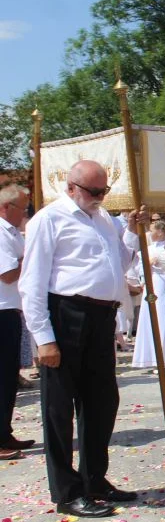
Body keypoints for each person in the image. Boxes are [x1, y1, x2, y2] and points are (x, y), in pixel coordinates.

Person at [19, 161, 144, 517]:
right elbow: (33, 281)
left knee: (102, 402)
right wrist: (43, 337)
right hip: (66, 314)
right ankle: (67, 490)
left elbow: (118, 262)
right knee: (59, 408)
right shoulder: (50, 219)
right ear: (72, 187)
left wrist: (131, 230)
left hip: (100, 317)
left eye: (104, 191)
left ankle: (95, 478)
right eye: (94, 191)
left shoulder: (103, 219)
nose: (100, 197)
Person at [0, 183, 32, 461]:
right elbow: (8, 274)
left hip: (11, 309)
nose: (25, 213)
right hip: (2, 310)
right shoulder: (1, 232)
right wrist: (31, 260)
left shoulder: (12, 233)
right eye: (23, 208)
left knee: (9, 376)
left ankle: (4, 430)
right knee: (2, 376)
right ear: (6, 207)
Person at [131, 221, 165, 370]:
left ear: (161, 232)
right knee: (151, 318)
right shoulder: (148, 249)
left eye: (152, 230)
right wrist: (147, 265)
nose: (149, 234)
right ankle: (151, 357)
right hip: (153, 285)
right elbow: (139, 270)